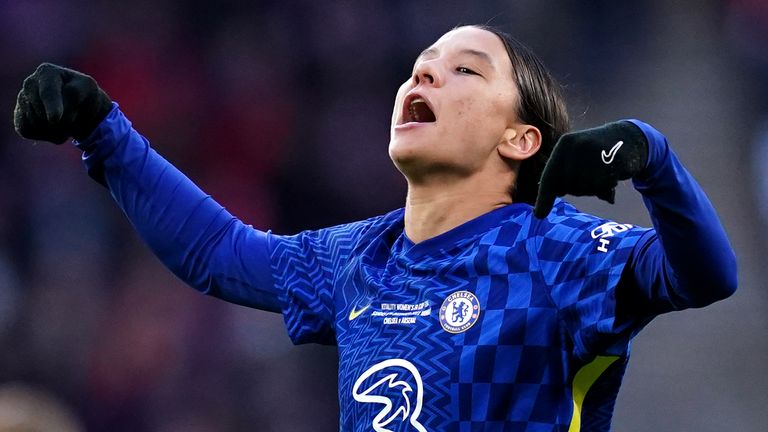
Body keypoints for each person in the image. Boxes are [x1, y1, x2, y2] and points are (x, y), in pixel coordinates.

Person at [13, 25, 736, 431]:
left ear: (519, 139)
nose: (423, 78)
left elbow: (704, 275)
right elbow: (217, 252)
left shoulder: (556, 249)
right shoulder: (359, 256)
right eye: (420, 68)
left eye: (465, 72)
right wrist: (102, 131)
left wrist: (652, 157)